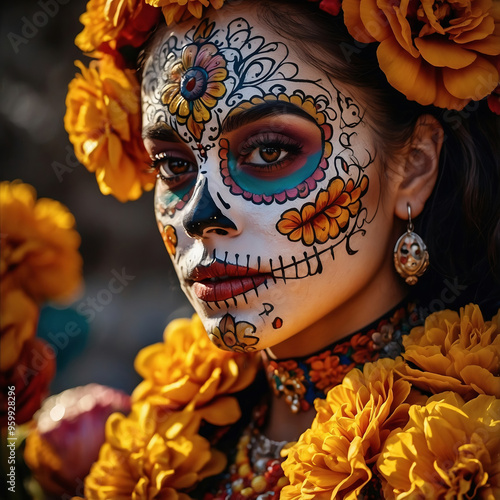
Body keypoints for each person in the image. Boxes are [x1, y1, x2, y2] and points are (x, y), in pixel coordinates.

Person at [61, 0, 500, 498]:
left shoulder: (471, 456)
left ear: (414, 166)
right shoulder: (153, 440)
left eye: (269, 151)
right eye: (173, 166)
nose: (198, 214)